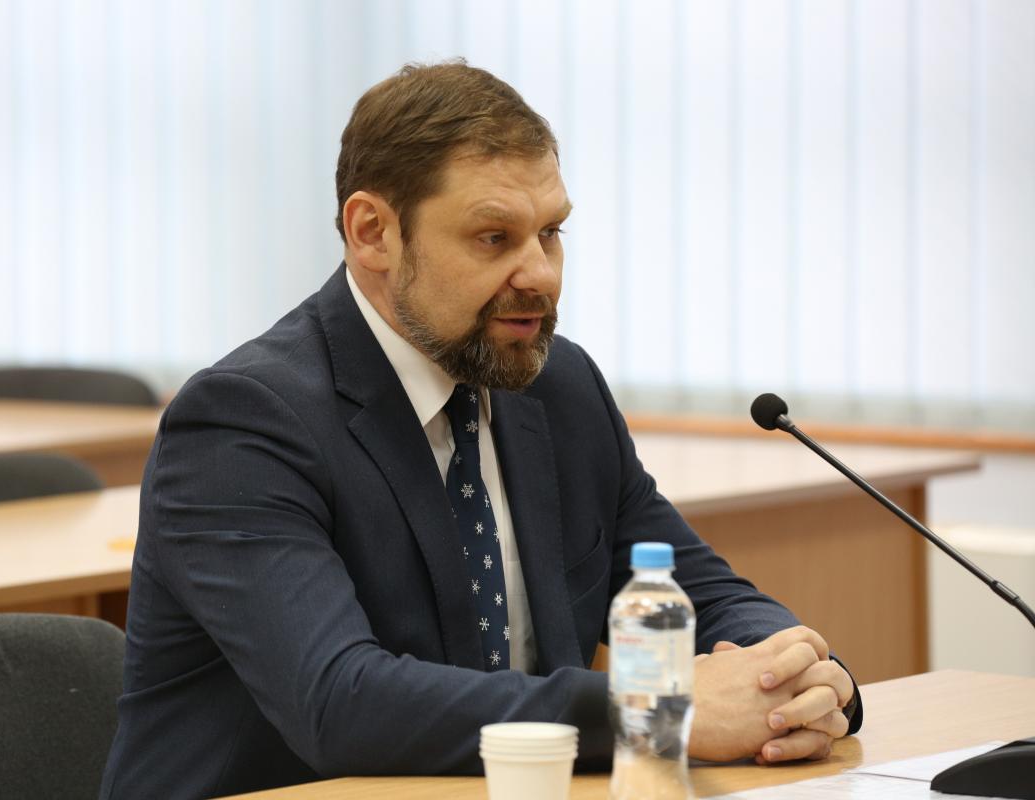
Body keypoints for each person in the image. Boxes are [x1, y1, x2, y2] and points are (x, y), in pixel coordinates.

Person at [99, 60, 861, 799]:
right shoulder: (244, 421)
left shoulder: (559, 386)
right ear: (373, 233)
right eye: (495, 238)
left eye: (551, 233)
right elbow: (339, 702)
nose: (542, 274)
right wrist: (654, 711)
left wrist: (796, 678)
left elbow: (703, 595)